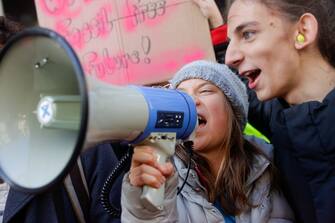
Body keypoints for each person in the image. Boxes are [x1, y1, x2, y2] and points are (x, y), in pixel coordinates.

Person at [121, 60, 294, 222]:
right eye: (182, 96)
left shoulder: (273, 164)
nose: (191, 101)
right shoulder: (161, 174)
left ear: (233, 110)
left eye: (205, 91)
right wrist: (143, 206)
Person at [223, 0, 335, 222]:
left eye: (247, 34)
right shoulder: (277, 118)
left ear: (303, 30)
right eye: (230, 42)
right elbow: (222, 79)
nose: (230, 57)